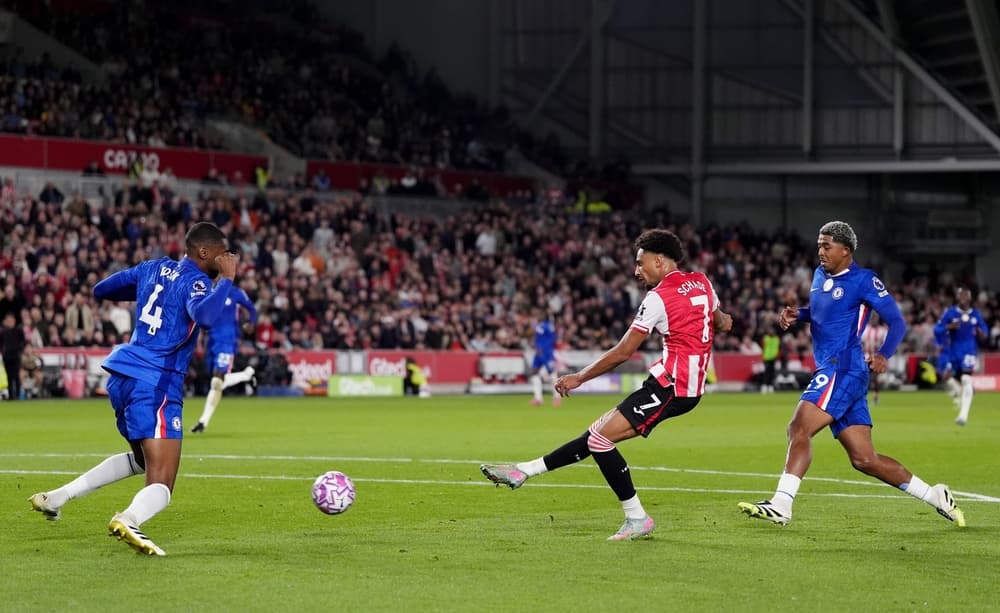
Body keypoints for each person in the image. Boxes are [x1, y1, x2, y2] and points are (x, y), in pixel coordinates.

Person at [481, 229, 733, 540]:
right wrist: (720, 322)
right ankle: (524, 470)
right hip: (675, 384)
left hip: (673, 388)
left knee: (600, 440)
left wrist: (579, 377)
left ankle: (637, 517)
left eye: (640, 264)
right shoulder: (703, 281)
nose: (636, 271)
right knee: (594, 435)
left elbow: (624, 352)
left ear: (659, 260)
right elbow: (721, 321)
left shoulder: (657, 298)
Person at [29, 222, 238, 556]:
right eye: (222, 252)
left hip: (122, 376)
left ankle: (58, 497)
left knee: (142, 461)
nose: (227, 257)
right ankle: (129, 519)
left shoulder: (152, 267)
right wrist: (226, 280)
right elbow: (207, 316)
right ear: (203, 252)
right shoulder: (197, 282)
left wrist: (147, 288)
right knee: (163, 481)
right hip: (156, 382)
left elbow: (101, 290)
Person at [738, 221, 965, 528]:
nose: (820, 251)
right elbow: (822, 314)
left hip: (842, 369)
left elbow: (897, 323)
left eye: (826, 246)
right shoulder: (820, 276)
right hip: (839, 372)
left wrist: (884, 354)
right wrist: (799, 314)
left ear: (846, 250)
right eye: (819, 245)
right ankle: (935, 495)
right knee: (865, 460)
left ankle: (782, 504)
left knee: (798, 429)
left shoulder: (864, 281)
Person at [190, 285, 258, 433]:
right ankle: (246, 375)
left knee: (217, 381)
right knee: (216, 382)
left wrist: (250, 323)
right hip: (212, 342)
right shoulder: (206, 290)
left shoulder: (236, 292)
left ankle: (203, 422)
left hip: (227, 341)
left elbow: (252, 309)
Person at [933, 287, 988, 426]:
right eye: (961, 295)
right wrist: (948, 327)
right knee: (947, 377)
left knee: (966, 378)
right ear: (957, 297)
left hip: (969, 352)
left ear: (970, 298)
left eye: (966, 295)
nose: (963, 298)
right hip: (953, 353)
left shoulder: (976, 314)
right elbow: (937, 329)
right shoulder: (950, 313)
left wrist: (982, 334)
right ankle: (963, 393)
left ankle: (963, 415)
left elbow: (985, 331)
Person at [529, 308, 559, 406]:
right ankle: (538, 398)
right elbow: (535, 337)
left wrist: (543, 348)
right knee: (534, 371)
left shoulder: (548, 326)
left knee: (551, 372)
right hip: (538, 352)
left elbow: (552, 339)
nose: (538, 316)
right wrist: (535, 346)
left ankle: (557, 396)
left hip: (546, 352)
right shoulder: (537, 325)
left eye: (540, 314)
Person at [861, 314, 888, 405]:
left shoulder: (882, 331)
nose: (873, 320)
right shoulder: (865, 329)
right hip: (866, 355)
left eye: (875, 318)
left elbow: (885, 344)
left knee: (874, 377)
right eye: (872, 318)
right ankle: (865, 396)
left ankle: (875, 395)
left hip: (876, 356)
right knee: (864, 376)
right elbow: (861, 343)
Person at [933, 326, 961, 409]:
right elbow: (937, 348)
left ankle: (958, 391)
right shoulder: (940, 337)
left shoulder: (952, 336)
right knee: (943, 377)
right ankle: (955, 391)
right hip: (942, 359)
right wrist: (937, 353)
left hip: (949, 358)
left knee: (946, 375)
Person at [1, 312, 26, 401]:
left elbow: (23, 342)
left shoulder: (18, 331)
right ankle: (11, 395)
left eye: (11, 320)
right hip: (7, 356)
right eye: (8, 320)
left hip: (16, 356)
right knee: (9, 376)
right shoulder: (3, 331)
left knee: (16, 376)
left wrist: (20, 350)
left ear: (14, 321)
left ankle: (18, 394)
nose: (10, 322)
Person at [759, 326, 780, 393]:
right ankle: (764, 385)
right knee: (766, 373)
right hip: (767, 357)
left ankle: (770, 386)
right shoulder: (765, 338)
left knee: (772, 373)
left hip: (774, 358)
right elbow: (762, 346)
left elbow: (779, 348)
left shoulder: (776, 339)